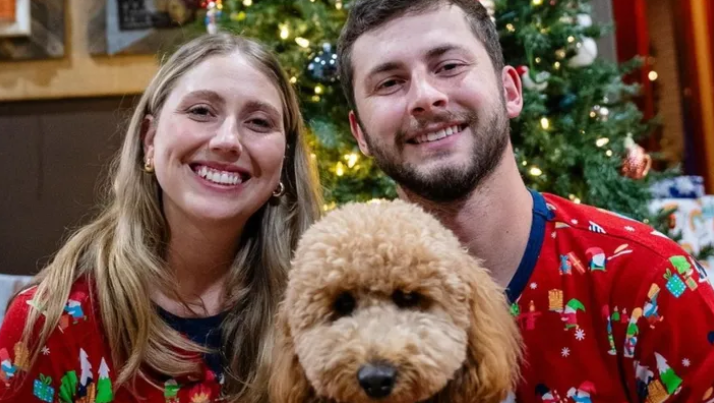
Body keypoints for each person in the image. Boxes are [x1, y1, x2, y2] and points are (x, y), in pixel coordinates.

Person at [337, 0, 714, 401]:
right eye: (390, 83)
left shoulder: (648, 282)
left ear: (510, 91)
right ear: (360, 134)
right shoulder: (340, 313)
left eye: (448, 66)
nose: (425, 97)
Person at [0, 33, 322, 403]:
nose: (228, 140)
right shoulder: (50, 320)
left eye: (260, 122)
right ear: (149, 140)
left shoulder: (321, 311)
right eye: (201, 111)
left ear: (283, 161)